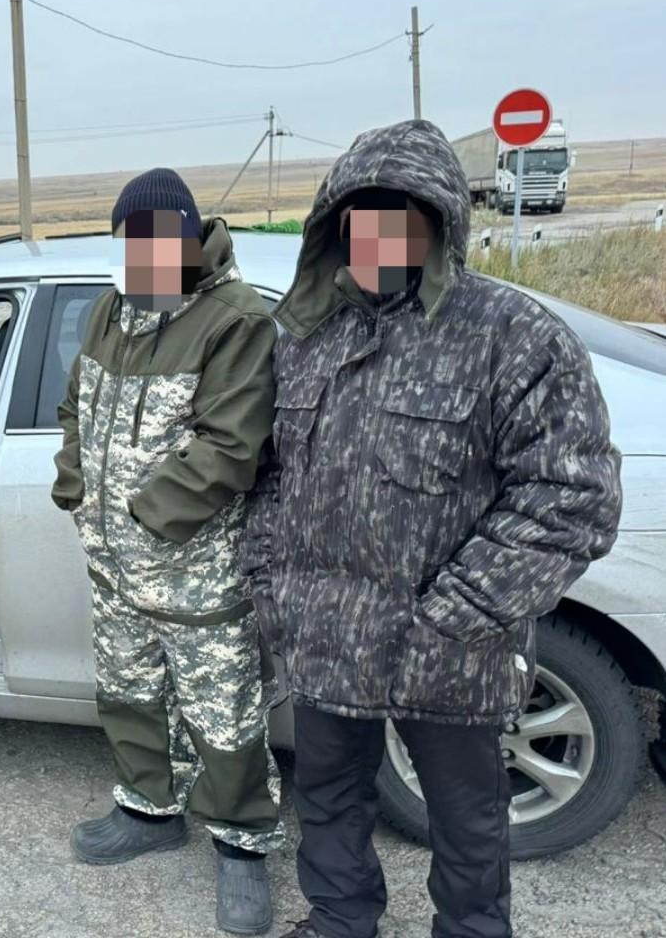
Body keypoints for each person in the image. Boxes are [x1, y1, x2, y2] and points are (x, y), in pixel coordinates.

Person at [239, 120, 622, 938]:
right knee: (327, 798)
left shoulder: (511, 335)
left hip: (447, 650)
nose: (377, 233)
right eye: (361, 214)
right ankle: (340, 919)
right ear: (334, 222)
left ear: (440, 224)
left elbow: (573, 496)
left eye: (401, 215)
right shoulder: (307, 336)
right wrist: (271, 585)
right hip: (325, 636)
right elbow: (272, 475)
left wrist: (455, 617)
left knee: (468, 822)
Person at [52, 168, 283, 935]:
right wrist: (76, 488)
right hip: (114, 567)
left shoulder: (234, 320)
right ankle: (148, 809)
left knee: (223, 714)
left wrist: (145, 518)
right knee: (129, 693)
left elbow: (231, 445)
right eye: (131, 241)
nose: (142, 255)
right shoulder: (109, 310)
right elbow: (75, 406)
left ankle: (242, 844)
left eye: (156, 239)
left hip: (194, 571)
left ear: (188, 237)